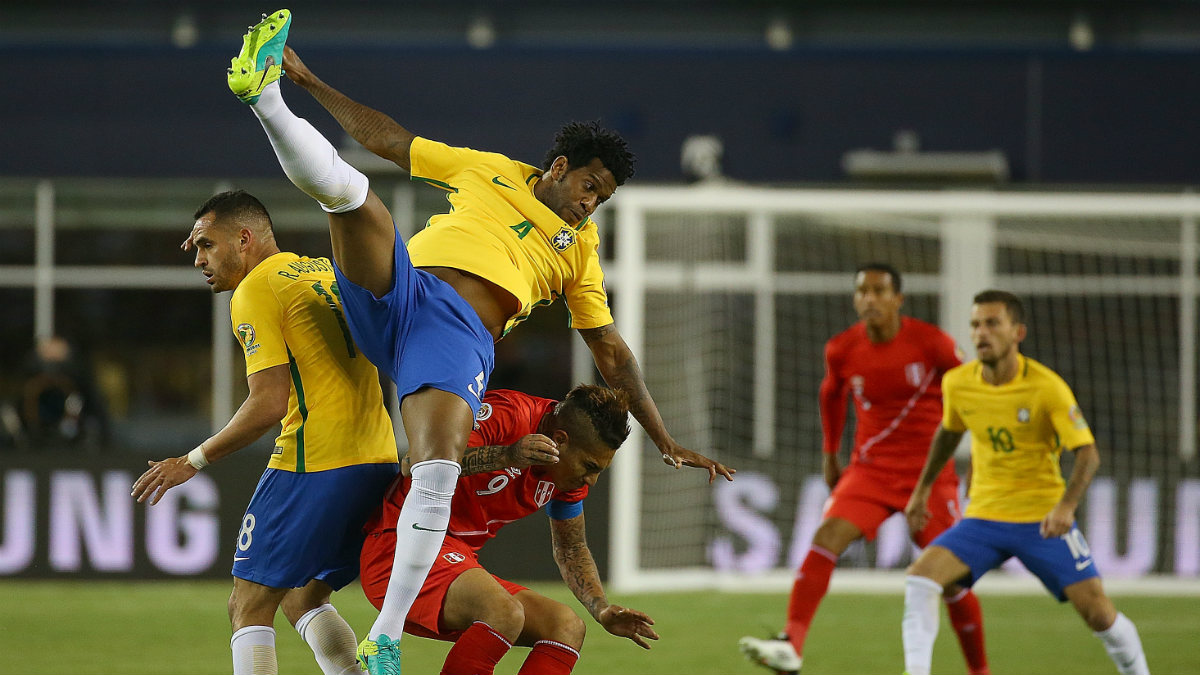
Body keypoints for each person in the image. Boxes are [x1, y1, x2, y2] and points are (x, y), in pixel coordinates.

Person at [223, 11, 732, 673]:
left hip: (454, 332)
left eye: (601, 200)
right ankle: (268, 96)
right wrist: (312, 81)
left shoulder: (580, 252)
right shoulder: (490, 171)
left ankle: (383, 635)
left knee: (435, 464)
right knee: (354, 200)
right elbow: (393, 140)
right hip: (401, 292)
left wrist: (661, 436)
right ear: (558, 167)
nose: (589, 205)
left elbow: (612, 351)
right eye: (588, 187)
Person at [130, 190, 400, 675]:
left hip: (314, 461)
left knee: (248, 605)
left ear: (245, 238)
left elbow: (268, 401)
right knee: (301, 596)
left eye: (207, 246)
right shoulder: (324, 271)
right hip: (376, 459)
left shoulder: (257, 288)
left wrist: (191, 461)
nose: (199, 260)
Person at [739, 263, 987, 675]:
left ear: (897, 299)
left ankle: (980, 670)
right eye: (862, 291)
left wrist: (980, 461)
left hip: (929, 476)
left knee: (952, 576)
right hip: (870, 472)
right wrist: (830, 454)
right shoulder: (842, 349)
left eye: (879, 291)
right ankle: (792, 645)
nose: (869, 299)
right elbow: (831, 394)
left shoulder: (933, 345)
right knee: (826, 536)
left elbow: (972, 397)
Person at [901, 290, 1150, 675]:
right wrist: (921, 491)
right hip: (983, 518)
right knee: (921, 579)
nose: (981, 333)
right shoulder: (958, 383)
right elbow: (949, 433)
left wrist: (1066, 507)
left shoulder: (1047, 387)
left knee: (1098, 613)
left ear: (1018, 332)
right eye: (975, 324)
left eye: (992, 323)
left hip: (1041, 521)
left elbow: (1088, 454)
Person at [360, 384, 658, 675]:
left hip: (454, 560)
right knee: (504, 612)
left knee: (565, 626)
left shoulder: (566, 474)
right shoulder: (508, 415)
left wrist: (602, 609)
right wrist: (505, 455)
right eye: (589, 466)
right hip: (398, 548)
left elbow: (572, 548)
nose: (591, 481)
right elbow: (418, 461)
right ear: (560, 439)